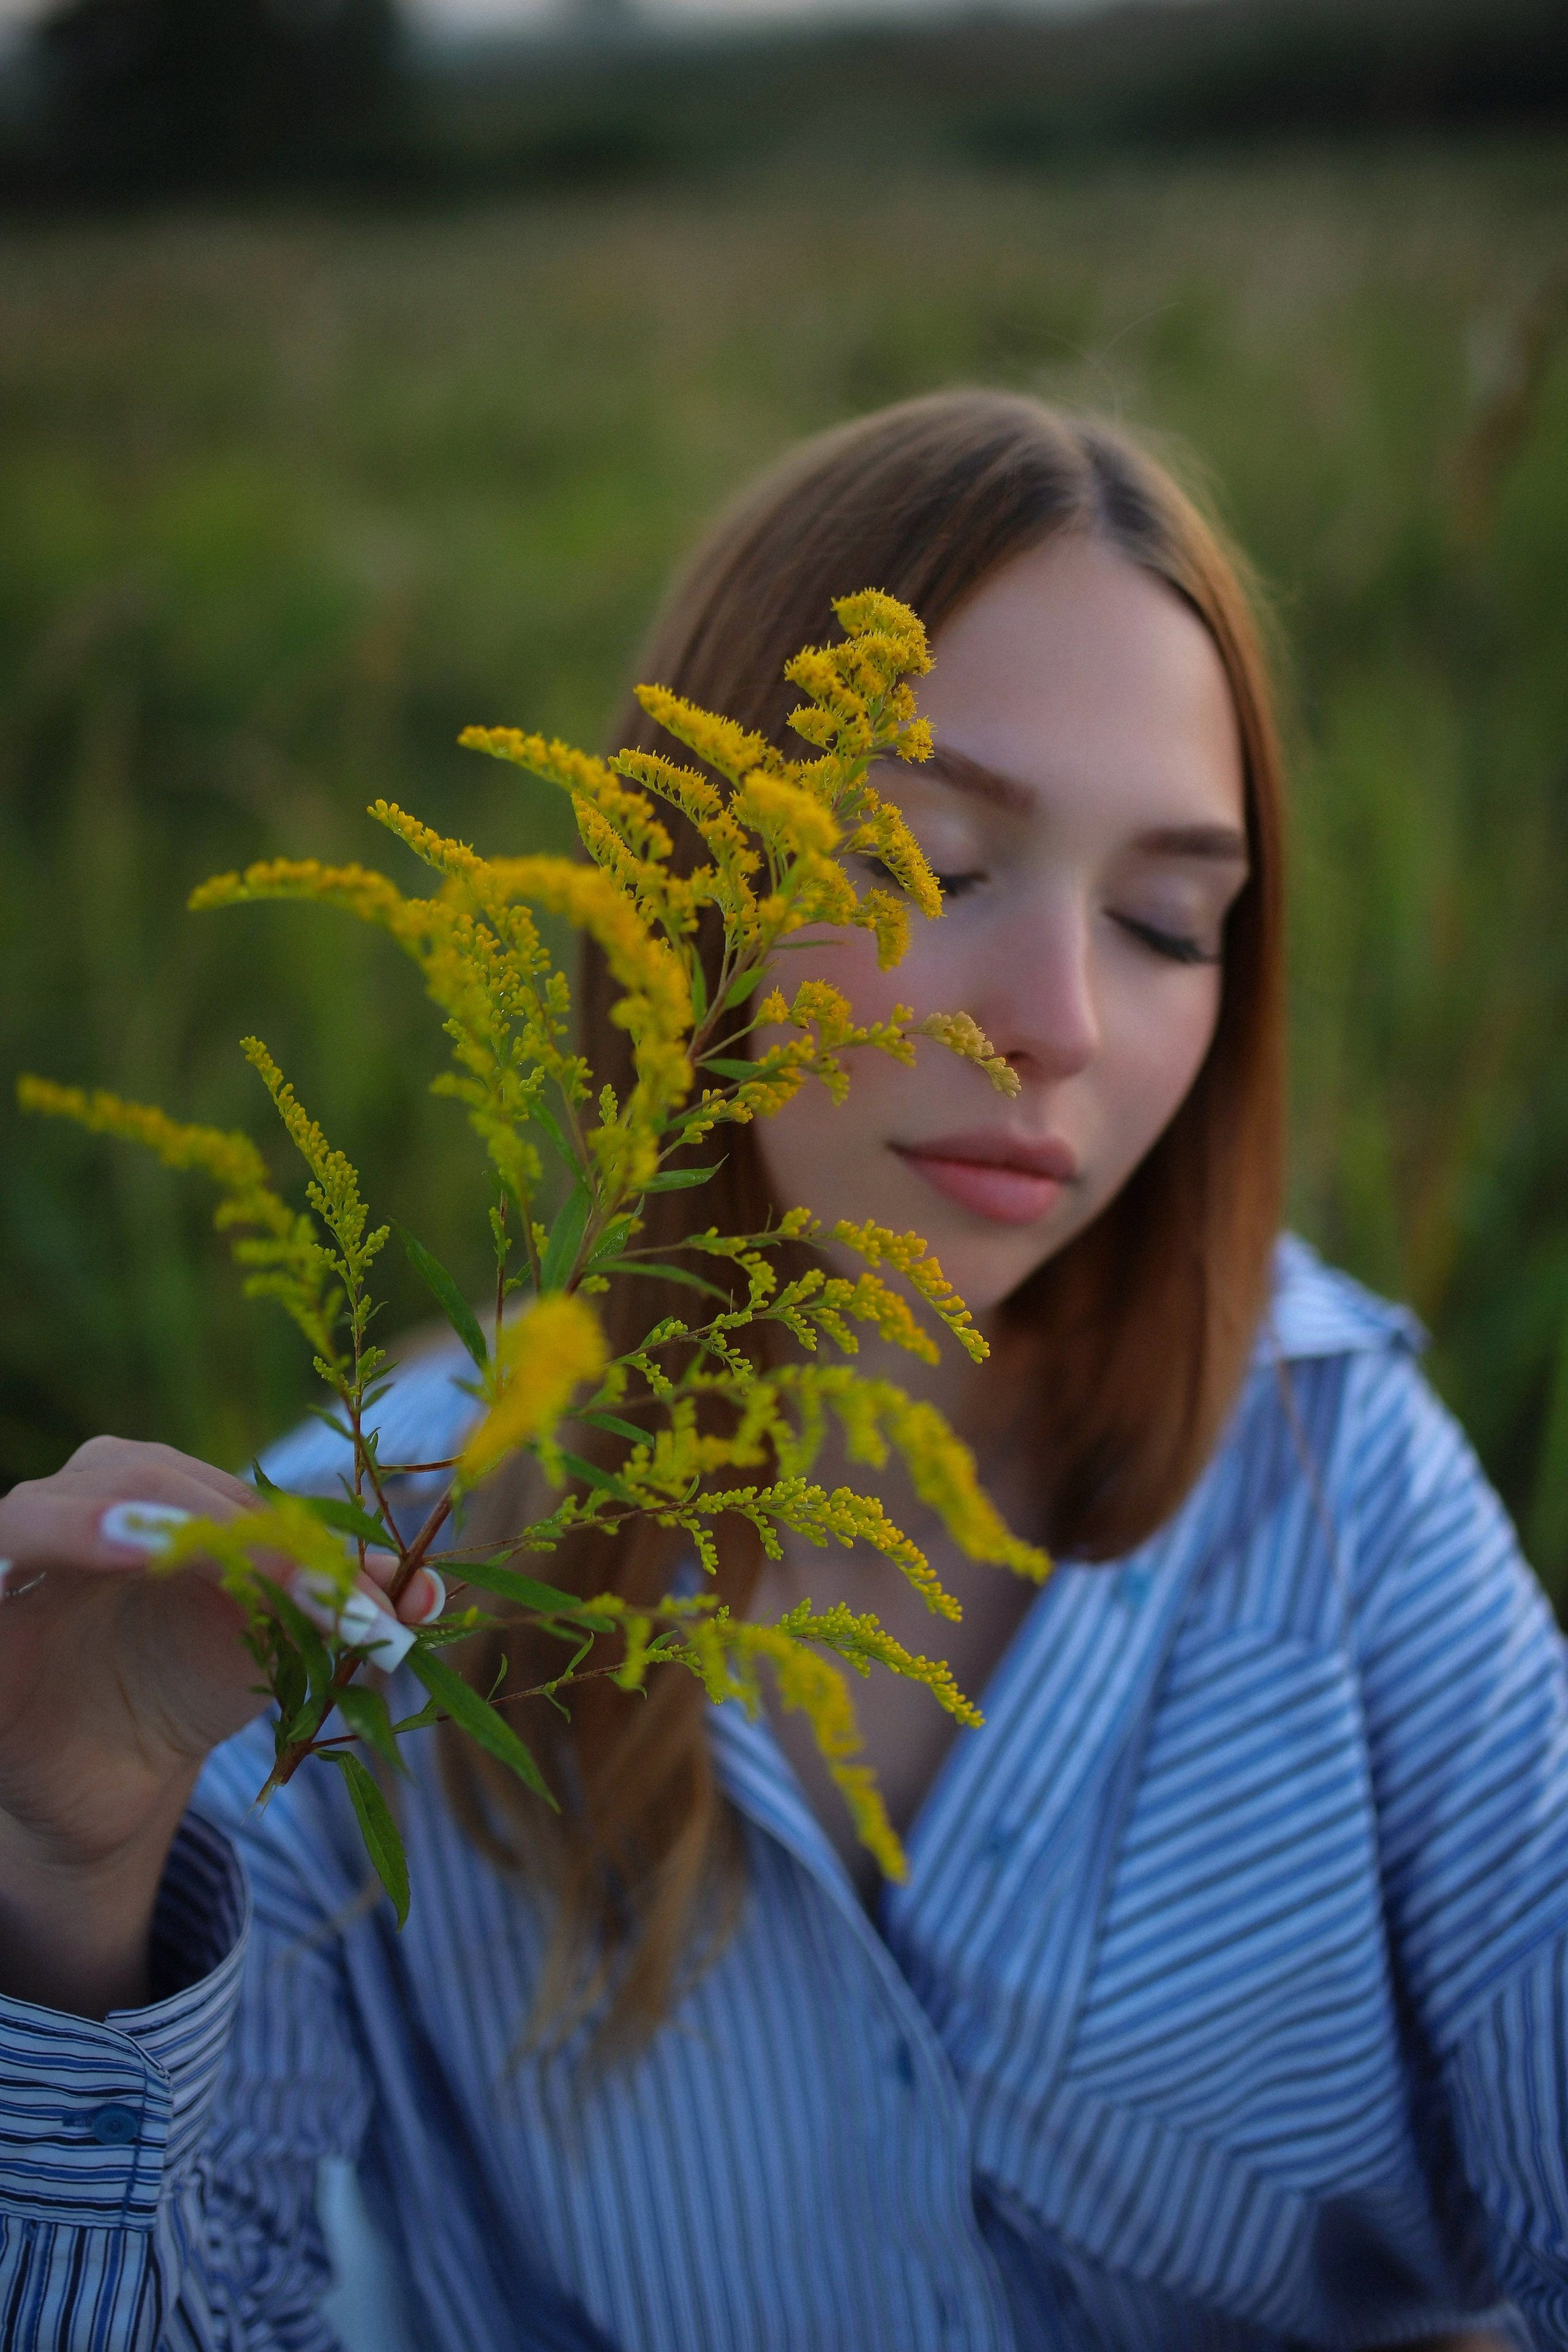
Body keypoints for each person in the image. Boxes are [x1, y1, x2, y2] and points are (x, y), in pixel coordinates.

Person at [1, 390, 1562, 2352]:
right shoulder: (344, 1580)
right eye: (929, 865)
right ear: (676, 904)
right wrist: (70, 1887)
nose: (1062, 1023)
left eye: (1170, 921)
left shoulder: (1340, 1474)